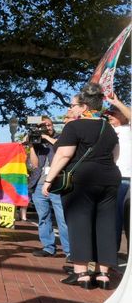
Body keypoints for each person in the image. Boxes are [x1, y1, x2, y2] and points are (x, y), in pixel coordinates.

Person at [42, 82, 120, 290]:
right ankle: (103, 275)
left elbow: (63, 155)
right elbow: (115, 155)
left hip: (82, 179)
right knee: (105, 224)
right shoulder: (108, 127)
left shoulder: (74, 126)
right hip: (109, 177)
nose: (71, 109)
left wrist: (49, 180)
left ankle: (82, 274)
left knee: (79, 222)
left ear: (84, 107)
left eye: (74, 105)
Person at [28, 116, 71, 259]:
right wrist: (32, 145)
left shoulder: (62, 137)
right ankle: (48, 247)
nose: (47, 127)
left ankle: (69, 251)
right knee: (43, 218)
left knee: (63, 218)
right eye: (43, 126)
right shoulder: (37, 141)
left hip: (57, 184)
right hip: (39, 185)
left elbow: (61, 149)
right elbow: (34, 165)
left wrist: (46, 136)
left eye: (49, 125)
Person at [105, 93, 131, 253]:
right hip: (112, 179)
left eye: (113, 114)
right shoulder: (107, 130)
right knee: (112, 220)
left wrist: (117, 102)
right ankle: (111, 257)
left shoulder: (128, 129)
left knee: (128, 222)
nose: (110, 117)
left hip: (127, 179)